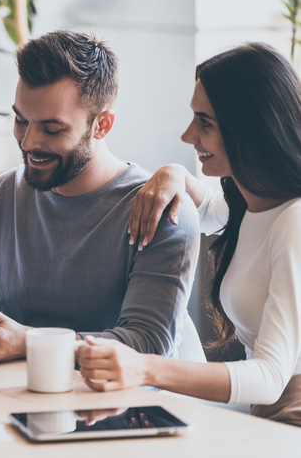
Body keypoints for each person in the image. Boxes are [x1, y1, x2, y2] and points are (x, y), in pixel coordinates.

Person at [0, 30, 203, 364]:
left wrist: (31, 342)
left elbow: (148, 344)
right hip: (12, 399)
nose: (28, 142)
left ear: (102, 125)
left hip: (124, 410)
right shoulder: (3, 196)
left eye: (52, 129)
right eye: (21, 120)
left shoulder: (162, 211)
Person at [78, 42, 301, 427]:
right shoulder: (253, 201)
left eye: (205, 123)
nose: (187, 135)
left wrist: (145, 368)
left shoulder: (293, 222)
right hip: (263, 412)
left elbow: (267, 380)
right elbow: (206, 210)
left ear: (251, 128)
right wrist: (173, 173)